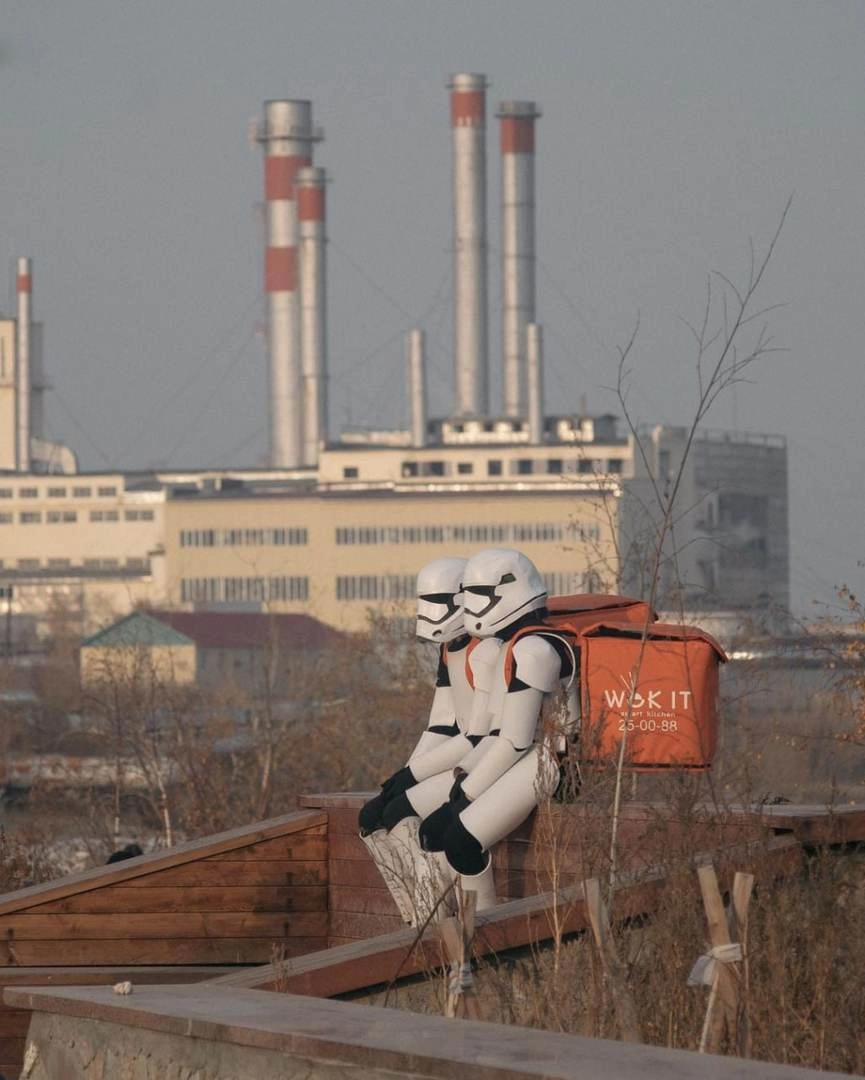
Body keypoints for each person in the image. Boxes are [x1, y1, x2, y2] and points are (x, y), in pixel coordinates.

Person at [418, 548, 579, 890]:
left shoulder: (534, 650)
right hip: (530, 755)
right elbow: (496, 733)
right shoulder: (507, 647)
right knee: (434, 833)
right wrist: (464, 778)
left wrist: (465, 794)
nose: (473, 605)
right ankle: (439, 923)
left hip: (555, 761)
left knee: (461, 841)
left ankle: (479, 925)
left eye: (482, 593)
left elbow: (515, 741)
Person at [358, 556, 479, 924]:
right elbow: (441, 724)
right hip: (460, 753)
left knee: (402, 814)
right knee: (373, 815)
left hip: (480, 758)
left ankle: (435, 916)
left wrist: (412, 776)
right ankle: (413, 916)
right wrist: (403, 776)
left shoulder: (484, 650)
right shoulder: (449, 648)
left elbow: (477, 734)